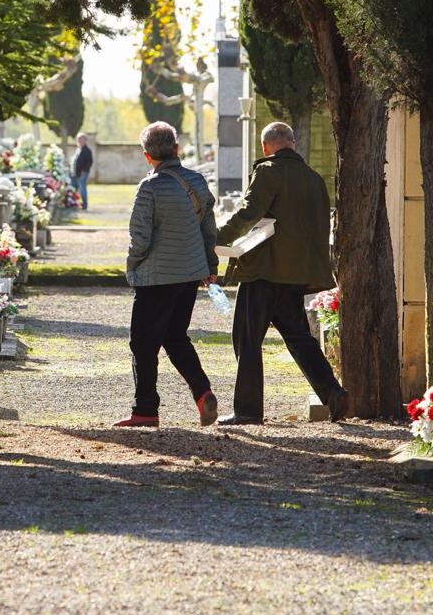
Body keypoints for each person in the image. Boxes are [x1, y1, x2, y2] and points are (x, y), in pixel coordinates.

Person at [215, 121, 348, 425]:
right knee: (299, 338)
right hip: (296, 275)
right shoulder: (314, 179)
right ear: (293, 144)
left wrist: (217, 238)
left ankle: (247, 411)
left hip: (263, 270)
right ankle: (332, 393)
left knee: (247, 339)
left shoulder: (267, 171)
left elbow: (249, 213)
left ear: (265, 147)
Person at [119, 121, 220, 428]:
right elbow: (208, 230)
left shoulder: (149, 187)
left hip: (156, 278)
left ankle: (145, 410)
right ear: (177, 149)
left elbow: (140, 238)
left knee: (143, 344)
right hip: (189, 273)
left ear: (147, 155)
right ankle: (203, 394)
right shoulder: (198, 182)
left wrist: (132, 266)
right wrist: (210, 266)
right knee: (176, 337)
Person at [71, 133, 93, 209]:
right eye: (78, 139)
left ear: (85, 140)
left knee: (82, 188)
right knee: (74, 189)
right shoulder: (78, 149)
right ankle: (73, 203)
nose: (79, 141)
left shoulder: (87, 150)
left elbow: (89, 162)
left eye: (81, 139)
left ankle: (84, 204)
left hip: (82, 173)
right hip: (75, 173)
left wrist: (84, 171)